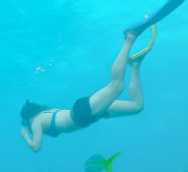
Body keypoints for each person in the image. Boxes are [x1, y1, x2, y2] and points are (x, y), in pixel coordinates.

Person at [19, 32, 147, 152]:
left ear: (28, 118)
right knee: (137, 106)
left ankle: (129, 39)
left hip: (82, 114)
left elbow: (36, 147)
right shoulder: (46, 113)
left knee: (116, 86)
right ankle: (135, 65)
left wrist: (25, 135)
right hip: (87, 113)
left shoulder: (36, 121)